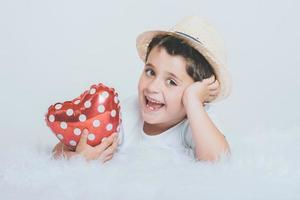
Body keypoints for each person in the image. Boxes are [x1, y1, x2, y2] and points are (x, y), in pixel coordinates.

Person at [52, 15, 232, 163]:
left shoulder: (196, 121)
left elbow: (218, 160)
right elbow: (59, 150)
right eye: (150, 71)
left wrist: (193, 101)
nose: (152, 87)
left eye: (171, 82)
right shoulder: (124, 115)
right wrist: (79, 158)